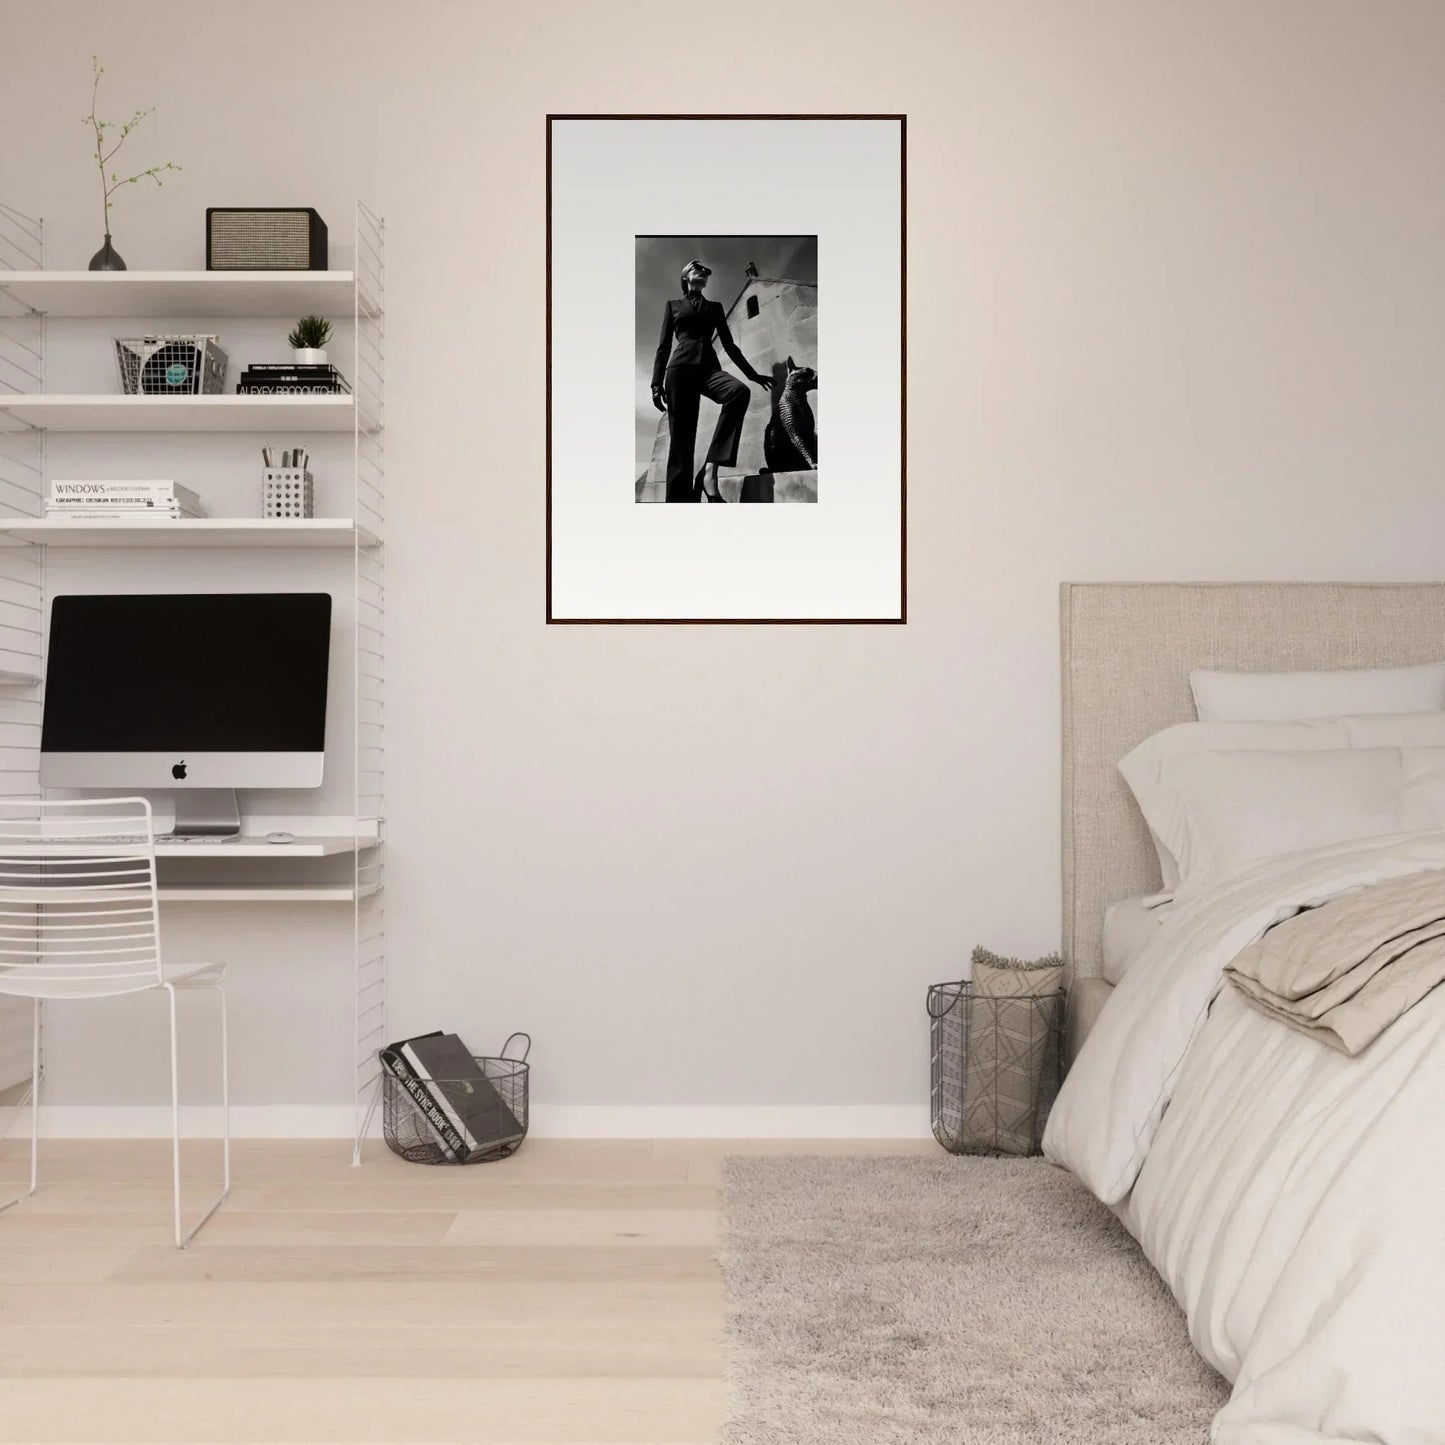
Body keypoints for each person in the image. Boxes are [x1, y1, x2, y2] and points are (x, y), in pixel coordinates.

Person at [650, 260, 773, 502]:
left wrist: (752, 375)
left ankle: (709, 471)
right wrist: (656, 384)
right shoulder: (673, 306)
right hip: (679, 371)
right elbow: (663, 347)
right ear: (686, 276)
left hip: (708, 370)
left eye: (707, 273)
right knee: (681, 444)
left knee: (738, 392)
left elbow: (729, 345)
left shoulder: (715, 307)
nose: (704, 273)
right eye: (698, 269)